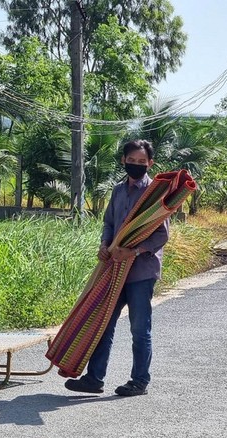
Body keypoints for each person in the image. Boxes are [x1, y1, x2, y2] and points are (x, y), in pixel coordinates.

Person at [65, 139, 168, 397]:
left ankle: (139, 381)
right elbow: (109, 223)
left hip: (140, 272)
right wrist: (104, 244)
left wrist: (132, 251)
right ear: (123, 161)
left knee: (139, 328)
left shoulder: (154, 195)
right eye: (131, 161)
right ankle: (94, 379)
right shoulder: (118, 190)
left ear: (150, 163)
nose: (136, 166)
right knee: (103, 322)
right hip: (114, 268)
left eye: (141, 162)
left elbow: (160, 236)